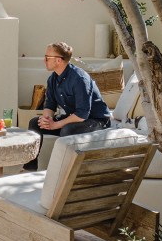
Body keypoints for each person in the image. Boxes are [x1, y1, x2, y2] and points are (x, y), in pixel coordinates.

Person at [25, 41, 111, 170]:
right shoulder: (53, 79)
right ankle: (30, 167)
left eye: (47, 57)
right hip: (74, 119)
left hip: (95, 120)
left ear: (59, 60)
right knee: (35, 123)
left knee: (68, 130)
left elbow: (82, 114)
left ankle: (63, 170)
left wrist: (56, 124)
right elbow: (50, 105)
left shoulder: (79, 79)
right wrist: (47, 120)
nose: (44, 60)